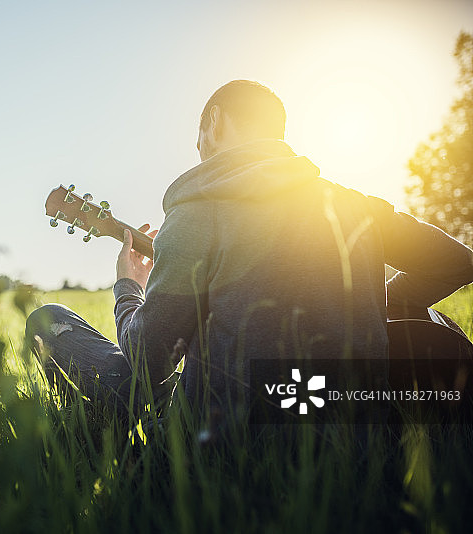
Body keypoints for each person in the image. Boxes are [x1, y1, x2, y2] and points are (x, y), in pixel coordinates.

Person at [26, 80, 473, 418]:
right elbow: (458, 264)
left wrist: (128, 285)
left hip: (224, 431)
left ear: (216, 122)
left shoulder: (196, 213)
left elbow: (148, 362)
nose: (199, 149)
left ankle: (102, 429)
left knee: (47, 319)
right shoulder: (354, 205)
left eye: (199, 137)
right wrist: (358, 310)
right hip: (348, 418)